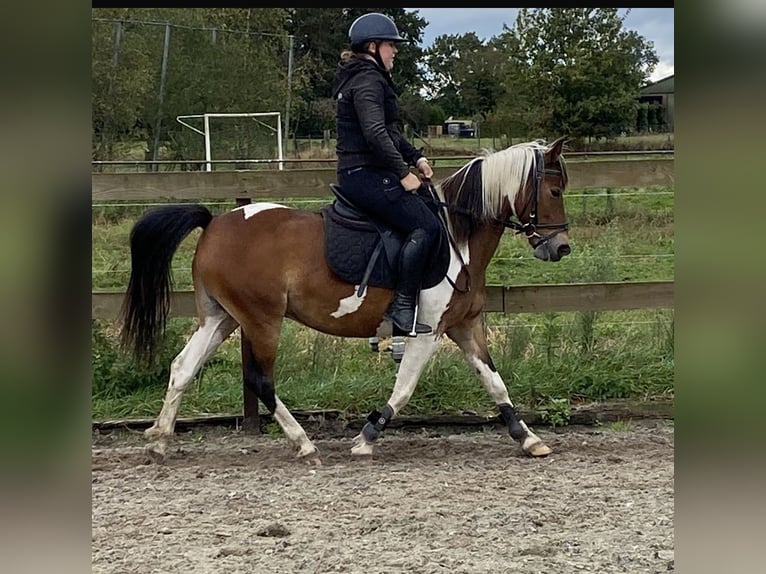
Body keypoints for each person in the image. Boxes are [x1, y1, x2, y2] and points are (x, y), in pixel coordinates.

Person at [331, 12, 441, 336]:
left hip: (365, 170)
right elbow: (375, 133)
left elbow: (389, 133)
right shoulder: (367, 80)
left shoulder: (365, 77)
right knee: (426, 226)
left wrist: (416, 158)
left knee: (427, 206)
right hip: (363, 173)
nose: (395, 51)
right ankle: (402, 308)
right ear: (373, 46)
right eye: (391, 45)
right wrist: (401, 172)